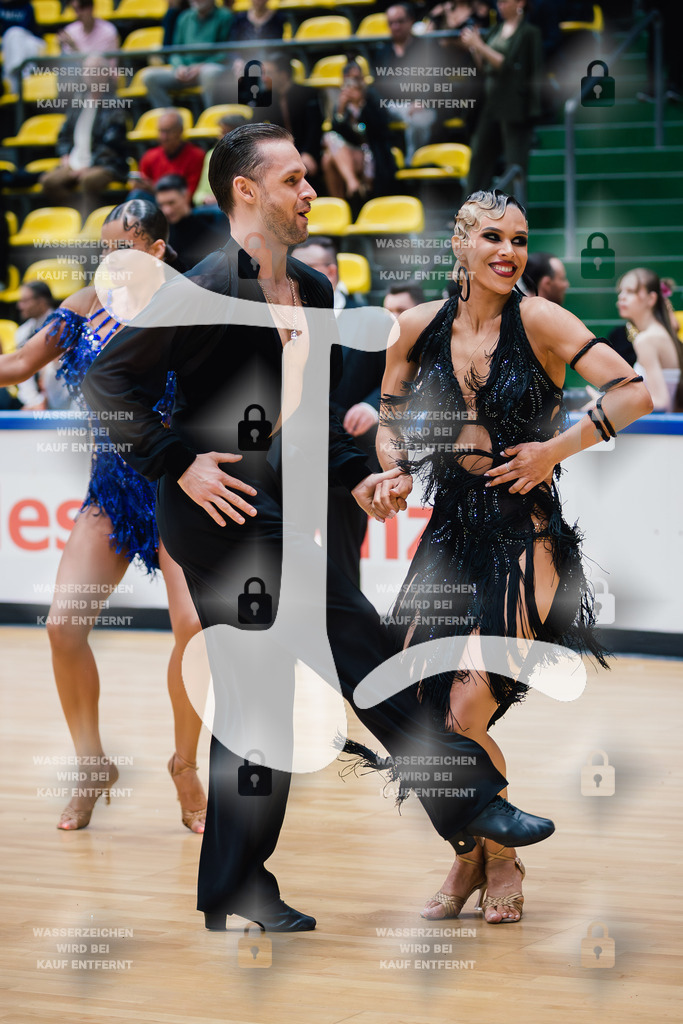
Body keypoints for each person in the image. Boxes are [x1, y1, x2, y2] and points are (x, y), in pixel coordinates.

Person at [82, 124, 559, 934]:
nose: (310, 192)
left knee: (258, 712)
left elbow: (309, 427)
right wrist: (177, 460)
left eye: (309, 179)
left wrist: (358, 474)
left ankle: (236, 885)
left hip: (270, 505)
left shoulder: (310, 288)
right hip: (213, 514)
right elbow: (106, 381)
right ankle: (470, 797)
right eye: (294, 179)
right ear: (246, 191)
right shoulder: (198, 286)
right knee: (347, 628)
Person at [376, 189, 653, 922]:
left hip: (525, 536)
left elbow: (633, 392)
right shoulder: (409, 327)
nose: (509, 252)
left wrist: (555, 449)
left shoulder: (539, 318)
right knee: (420, 712)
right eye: (493, 237)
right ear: (459, 245)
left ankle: (501, 866)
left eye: (520, 240)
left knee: (465, 708)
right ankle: (472, 857)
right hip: (446, 536)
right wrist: (393, 468)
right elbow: (390, 423)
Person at [0, 200, 207, 834]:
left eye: (120, 249)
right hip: (111, 491)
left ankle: (183, 765)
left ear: (156, 249)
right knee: (63, 626)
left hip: (178, 486)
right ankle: (91, 764)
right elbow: (17, 364)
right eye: (101, 250)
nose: (107, 263)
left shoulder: (194, 303)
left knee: (194, 629)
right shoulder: (88, 302)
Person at [293, 237, 381, 584]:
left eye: (302, 270)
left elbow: (402, 382)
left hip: (350, 460)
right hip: (291, 460)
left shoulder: (374, 320)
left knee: (342, 565)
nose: (292, 278)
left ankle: (345, 637)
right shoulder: (281, 318)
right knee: (286, 558)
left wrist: (373, 406)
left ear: (331, 272)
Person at [462, 0, 542, 202]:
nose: (500, 5)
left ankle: (516, 215)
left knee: (515, 162)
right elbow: (485, 67)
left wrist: (479, 45)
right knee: (479, 157)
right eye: (498, 1)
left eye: (505, 1)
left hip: (515, 104)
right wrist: (475, 50)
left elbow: (510, 67)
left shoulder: (529, 33)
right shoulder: (496, 29)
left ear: (520, 2)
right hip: (491, 102)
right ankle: (469, 211)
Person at [40, 56, 129, 214]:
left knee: (89, 180)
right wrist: (65, 155)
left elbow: (112, 143)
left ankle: (87, 224)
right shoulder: (78, 102)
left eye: (96, 71)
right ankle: (73, 217)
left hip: (105, 163)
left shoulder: (115, 105)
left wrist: (90, 165)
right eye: (88, 71)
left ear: (105, 74)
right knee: (49, 181)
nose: (91, 75)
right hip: (74, 161)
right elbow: (64, 135)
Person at [322, 61, 396, 204]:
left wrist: (360, 105)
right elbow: (339, 135)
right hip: (350, 154)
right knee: (328, 156)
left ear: (362, 79)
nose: (353, 82)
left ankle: (343, 201)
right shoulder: (341, 103)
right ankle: (349, 190)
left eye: (357, 78)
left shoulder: (372, 96)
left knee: (329, 158)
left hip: (373, 153)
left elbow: (379, 129)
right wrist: (341, 111)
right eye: (349, 78)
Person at [140, 0, 232, 110]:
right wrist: (179, 66)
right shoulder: (184, 17)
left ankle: (212, 117)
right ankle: (170, 119)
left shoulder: (225, 16)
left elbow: (226, 52)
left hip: (208, 67)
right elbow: (175, 51)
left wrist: (200, 66)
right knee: (149, 76)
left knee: (210, 73)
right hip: (185, 69)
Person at [616, 267, 683, 413]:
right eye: (620, 291)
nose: (622, 297)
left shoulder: (647, 340)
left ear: (651, 298)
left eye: (630, 291)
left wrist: (610, 405)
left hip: (657, 433)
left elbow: (660, 402)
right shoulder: (661, 334)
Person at [259, 57, 323, 182]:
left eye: (269, 73)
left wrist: (308, 153)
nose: (263, 78)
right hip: (282, 152)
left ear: (283, 75)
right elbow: (254, 125)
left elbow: (315, 127)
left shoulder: (307, 93)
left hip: (310, 149)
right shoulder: (265, 97)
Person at [13, 282, 71, 411]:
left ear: (41, 301)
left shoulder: (64, 325)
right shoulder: (22, 331)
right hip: (40, 401)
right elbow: (22, 370)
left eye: (25, 301)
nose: (19, 306)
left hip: (66, 397)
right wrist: (34, 401)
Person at [154, 174, 229, 269]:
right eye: (162, 205)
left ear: (186, 196)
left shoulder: (208, 231)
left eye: (171, 203)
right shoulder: (160, 234)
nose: (167, 210)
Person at [137, 109, 206, 200]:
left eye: (168, 132)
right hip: (155, 202)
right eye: (161, 131)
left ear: (180, 131)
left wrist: (153, 188)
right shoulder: (149, 156)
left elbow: (188, 196)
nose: (164, 137)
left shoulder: (196, 155)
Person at [0, 0, 45, 94]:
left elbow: (25, 29)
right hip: (9, 45)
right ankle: (19, 78)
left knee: (15, 33)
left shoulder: (27, 6)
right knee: (12, 36)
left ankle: (15, 78)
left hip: (29, 43)